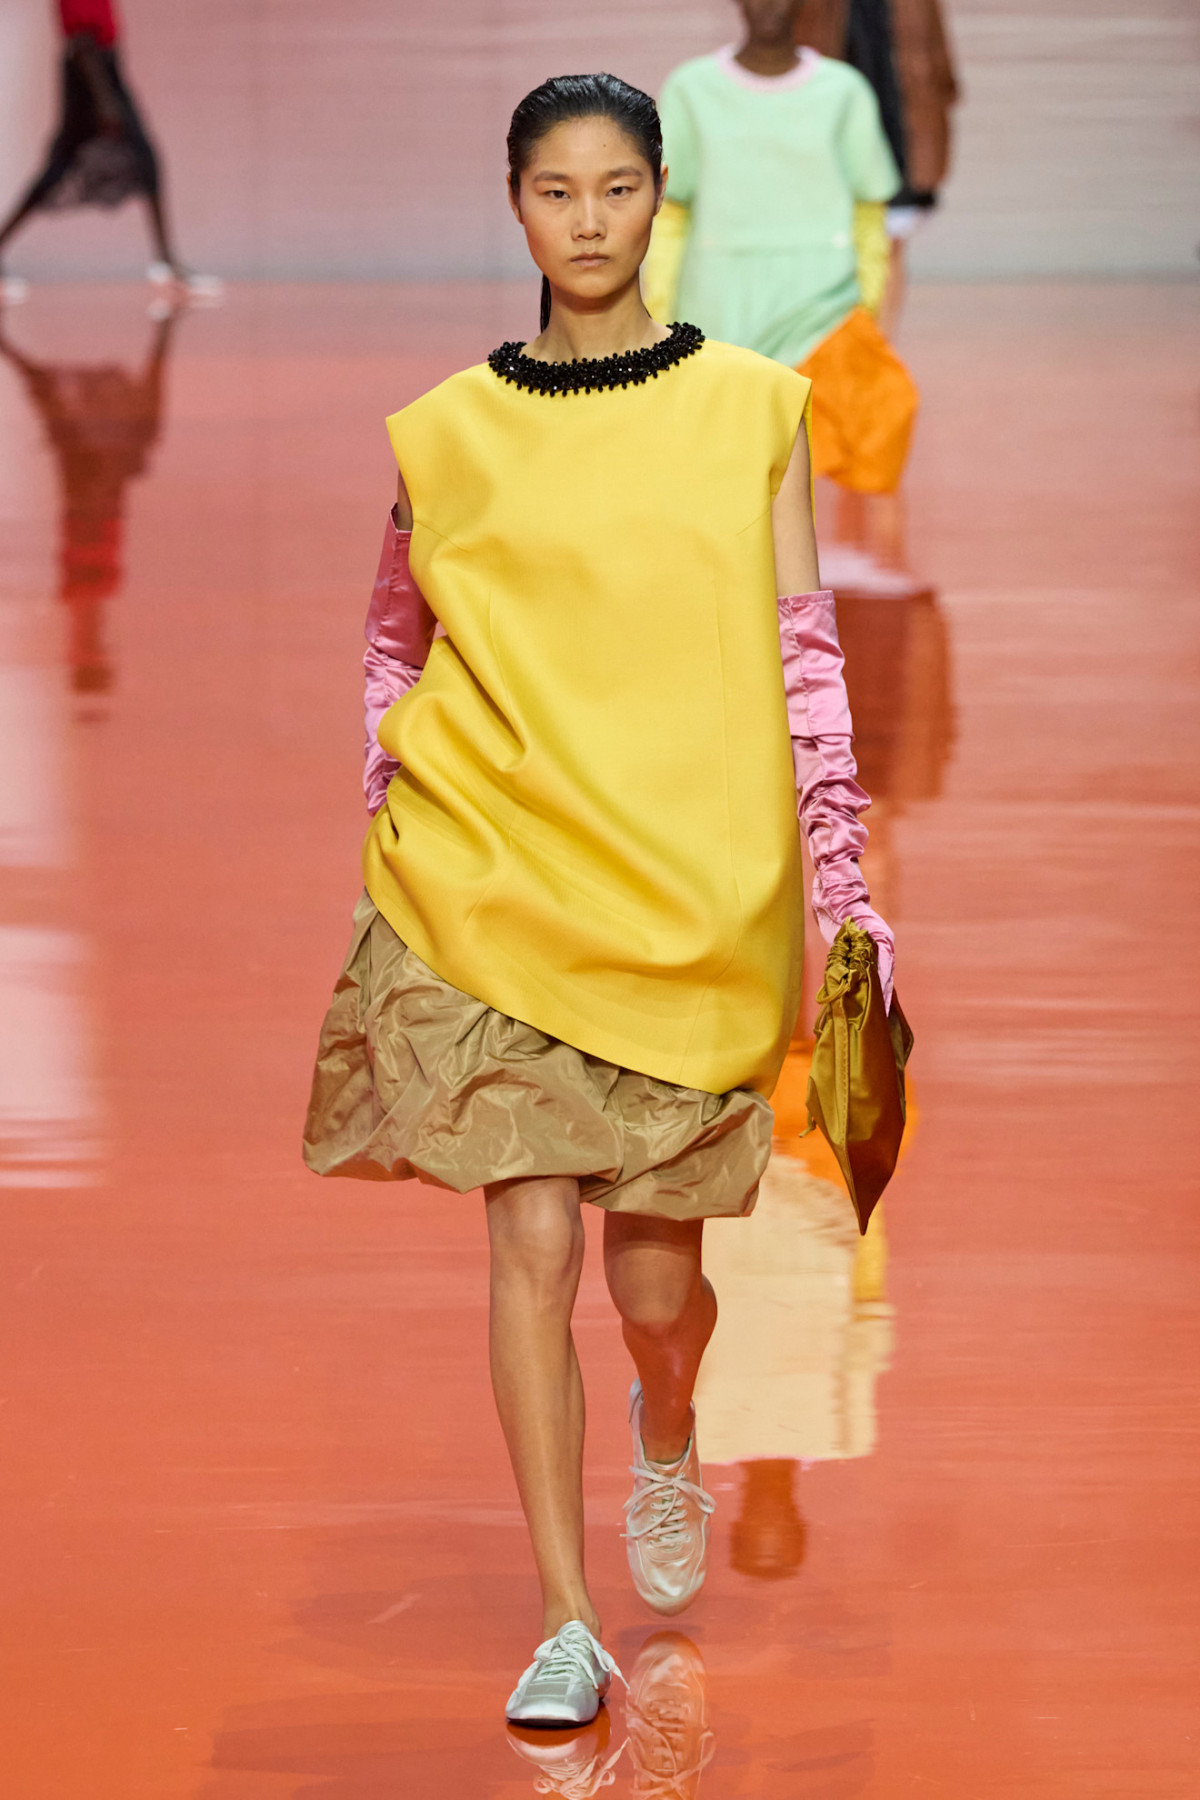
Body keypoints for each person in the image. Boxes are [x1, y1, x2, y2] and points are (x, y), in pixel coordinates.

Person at [302, 71, 894, 1729]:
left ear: (657, 199)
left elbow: (803, 657)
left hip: (685, 897)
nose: (588, 220)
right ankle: (565, 1616)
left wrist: (842, 887)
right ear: (516, 204)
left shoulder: (751, 410)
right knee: (529, 1235)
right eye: (556, 191)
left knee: (649, 1292)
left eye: (617, 188)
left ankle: (670, 1415)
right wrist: (390, 801)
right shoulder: (448, 431)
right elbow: (393, 637)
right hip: (495, 879)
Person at [645, 0, 920, 595]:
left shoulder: (842, 91)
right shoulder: (691, 88)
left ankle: (790, 609)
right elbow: (671, 214)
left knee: (805, 463)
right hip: (717, 305)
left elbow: (868, 213)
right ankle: (737, 599)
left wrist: (865, 310)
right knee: (724, 466)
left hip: (820, 303)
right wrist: (659, 313)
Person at [0, 0, 218, 302]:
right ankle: (166, 262)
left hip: (98, 64)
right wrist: (104, 100)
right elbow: (81, 31)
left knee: (70, 168)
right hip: (89, 65)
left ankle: (167, 261)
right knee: (127, 159)